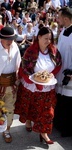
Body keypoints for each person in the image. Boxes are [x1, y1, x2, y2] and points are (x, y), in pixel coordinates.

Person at [14, 26, 62, 144]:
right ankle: (29, 121)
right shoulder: (30, 51)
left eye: (50, 39)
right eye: (46, 38)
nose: (48, 41)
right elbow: (24, 68)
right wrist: (35, 82)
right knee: (31, 107)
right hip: (31, 86)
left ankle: (44, 134)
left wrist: (50, 76)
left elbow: (59, 64)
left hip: (48, 86)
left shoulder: (54, 51)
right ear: (39, 37)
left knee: (48, 112)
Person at [54, 7, 72, 137]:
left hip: (70, 74)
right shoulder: (63, 31)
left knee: (68, 103)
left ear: (66, 19)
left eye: (59, 17)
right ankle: (58, 125)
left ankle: (67, 129)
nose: (57, 19)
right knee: (60, 100)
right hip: (60, 72)